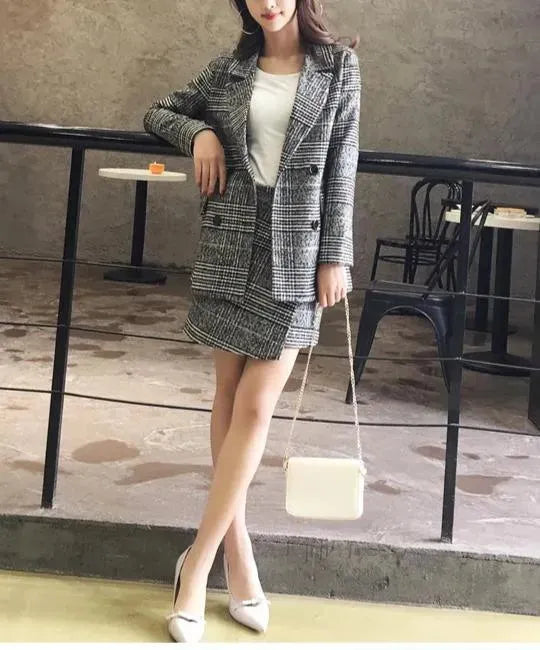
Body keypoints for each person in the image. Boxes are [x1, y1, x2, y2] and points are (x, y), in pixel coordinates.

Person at [143, 0, 360, 642]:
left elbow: (342, 166)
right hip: (230, 240)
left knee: (257, 407)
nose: (269, 2)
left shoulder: (338, 68)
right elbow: (159, 111)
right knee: (228, 397)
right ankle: (239, 561)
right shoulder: (230, 69)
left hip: (296, 252)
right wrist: (200, 135)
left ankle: (196, 566)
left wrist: (336, 255)